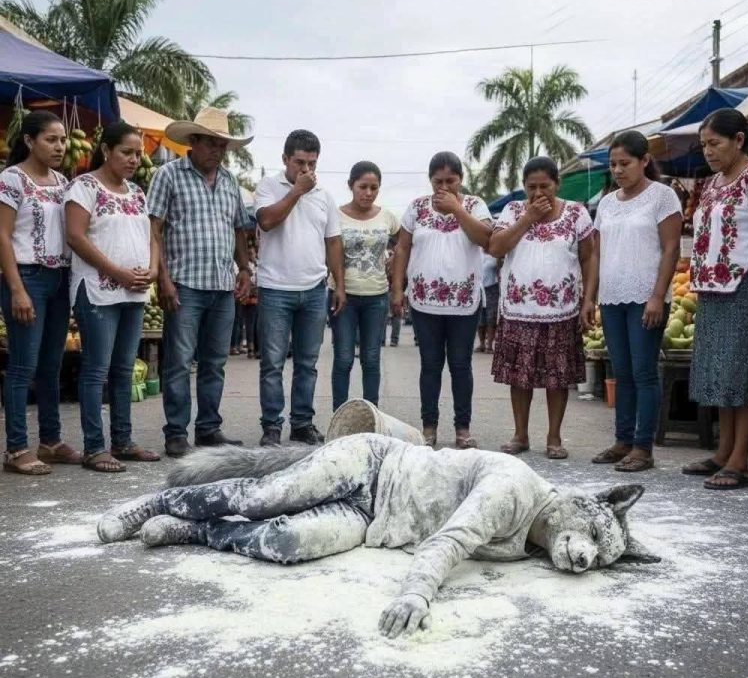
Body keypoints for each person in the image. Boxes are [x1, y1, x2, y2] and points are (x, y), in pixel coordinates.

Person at [96, 436, 659, 639]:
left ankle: (194, 530)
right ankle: (158, 503)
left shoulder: (533, 543)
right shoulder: (516, 488)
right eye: (591, 533)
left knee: (287, 544)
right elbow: (447, 543)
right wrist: (417, 593)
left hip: (369, 523)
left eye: (596, 558)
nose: (583, 554)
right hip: (373, 463)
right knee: (268, 495)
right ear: (585, 503)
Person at [147, 107, 252, 458]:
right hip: (184, 284)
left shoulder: (230, 181)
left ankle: (208, 429)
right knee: (179, 361)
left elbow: (239, 228)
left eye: (222, 145)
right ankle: (176, 432)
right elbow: (154, 229)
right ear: (193, 141)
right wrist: (163, 279)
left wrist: (244, 269)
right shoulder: (168, 175)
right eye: (210, 143)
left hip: (222, 285)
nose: (217, 151)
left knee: (214, 362)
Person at [64, 121, 160, 471]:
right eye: (126, 152)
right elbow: (76, 237)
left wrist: (152, 270)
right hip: (97, 291)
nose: (134, 159)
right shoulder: (83, 187)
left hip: (134, 292)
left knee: (123, 368)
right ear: (106, 150)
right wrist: (117, 272)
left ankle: (123, 441)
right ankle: (94, 447)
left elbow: (152, 237)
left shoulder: (137, 192)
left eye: (138, 153)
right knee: (96, 369)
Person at [683, 108, 748, 489]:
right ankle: (723, 452)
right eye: (703, 145)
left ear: (738, 140)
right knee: (722, 373)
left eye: (714, 143)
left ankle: (740, 462)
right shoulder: (713, 183)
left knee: (744, 373)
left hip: (747, 285)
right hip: (712, 288)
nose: (708, 151)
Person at [489, 157, 595, 459]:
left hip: (561, 310)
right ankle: (520, 435)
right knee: (518, 377)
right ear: (524, 186)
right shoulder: (512, 211)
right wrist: (528, 218)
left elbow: (589, 257)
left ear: (557, 184)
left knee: (557, 377)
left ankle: (554, 437)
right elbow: (496, 247)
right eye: (531, 187)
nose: (538, 193)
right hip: (518, 309)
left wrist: (589, 298)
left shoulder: (576, 213)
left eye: (545, 186)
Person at [588, 131, 683, 472]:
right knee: (621, 372)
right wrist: (590, 298)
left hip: (647, 297)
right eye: (613, 164)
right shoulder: (607, 203)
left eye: (624, 163)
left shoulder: (663, 196)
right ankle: (622, 441)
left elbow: (671, 249)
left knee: (644, 373)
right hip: (612, 297)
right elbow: (596, 253)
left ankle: (643, 447)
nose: (617, 170)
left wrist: (657, 296)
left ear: (644, 161)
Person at [391, 152, 492, 448]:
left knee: (460, 365)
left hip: (464, 301)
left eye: (451, 181)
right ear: (430, 180)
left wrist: (457, 210)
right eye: (438, 181)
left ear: (461, 179)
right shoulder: (416, 208)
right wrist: (397, 289)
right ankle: (429, 427)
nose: (444, 187)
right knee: (430, 365)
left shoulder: (475, 205)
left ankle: (463, 428)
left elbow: (486, 238)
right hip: (424, 302)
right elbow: (402, 249)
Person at [0, 110, 81, 474]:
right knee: (23, 365)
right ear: (30, 141)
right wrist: (16, 288)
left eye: (63, 140)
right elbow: (2, 235)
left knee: (51, 364)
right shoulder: (11, 179)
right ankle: (17, 448)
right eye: (51, 139)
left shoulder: (63, 182)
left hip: (58, 278)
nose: (60, 146)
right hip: (26, 277)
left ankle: (50, 441)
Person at [255, 129, 345, 446]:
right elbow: (266, 221)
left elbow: (333, 242)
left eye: (312, 164)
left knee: (307, 364)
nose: (306, 170)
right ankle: (271, 427)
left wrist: (339, 284)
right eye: (299, 163)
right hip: (275, 288)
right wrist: (296, 191)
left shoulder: (324, 196)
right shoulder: (268, 186)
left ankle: (302, 424)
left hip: (314, 290)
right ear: (285, 159)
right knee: (273, 364)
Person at [330, 161, 399, 410]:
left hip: (376, 297)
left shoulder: (387, 217)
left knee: (371, 359)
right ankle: (339, 415)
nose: (368, 193)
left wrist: (394, 265)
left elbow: (405, 243)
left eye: (374, 188)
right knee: (343, 359)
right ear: (351, 185)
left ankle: (372, 415)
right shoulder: (335, 215)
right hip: (343, 297)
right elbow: (330, 249)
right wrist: (338, 285)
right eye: (363, 187)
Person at [476, 252, 500, 354]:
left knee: (491, 317)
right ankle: (481, 344)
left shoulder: (495, 255)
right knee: (480, 318)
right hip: (479, 289)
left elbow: (500, 267)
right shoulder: (478, 253)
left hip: (492, 288)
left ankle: (489, 345)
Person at [242, 244, 259, 359]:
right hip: (249, 299)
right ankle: (251, 348)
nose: (251, 255)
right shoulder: (246, 267)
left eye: (252, 253)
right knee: (250, 324)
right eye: (249, 254)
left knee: (257, 324)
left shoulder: (258, 265)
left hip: (258, 299)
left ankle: (257, 348)